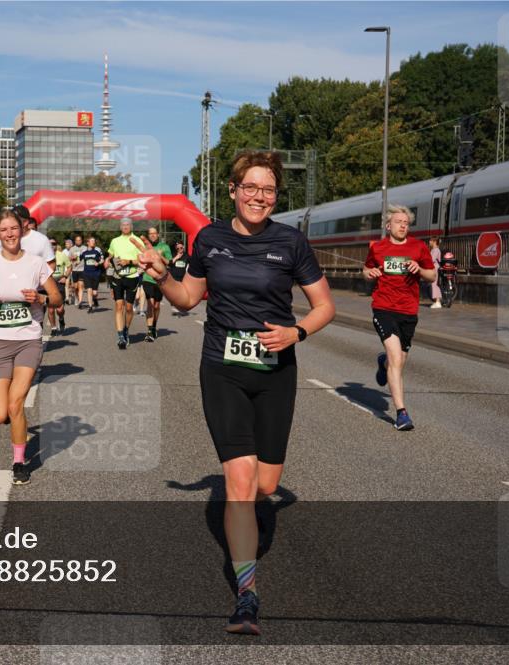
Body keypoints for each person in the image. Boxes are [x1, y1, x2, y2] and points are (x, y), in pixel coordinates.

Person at [134, 150, 334, 636]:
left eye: (268, 190)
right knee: (240, 482)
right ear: (233, 190)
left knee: (265, 486)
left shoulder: (290, 242)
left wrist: (297, 332)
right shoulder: (210, 238)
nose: (259, 197)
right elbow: (187, 299)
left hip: (275, 371)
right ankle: (247, 596)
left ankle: (251, 519)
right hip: (222, 368)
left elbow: (324, 306)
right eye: (251, 188)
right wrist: (162, 276)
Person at [0, 208, 60, 485]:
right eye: (3, 230)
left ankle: (19, 462)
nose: (9, 234)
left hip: (28, 341)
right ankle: (16, 423)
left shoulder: (36, 263)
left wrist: (41, 299)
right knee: (0, 415)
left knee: (15, 402)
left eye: (13, 228)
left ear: (22, 230)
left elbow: (57, 298)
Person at [362, 204, 437, 431]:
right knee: (396, 357)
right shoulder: (378, 248)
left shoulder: (418, 247)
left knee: (399, 361)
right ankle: (402, 413)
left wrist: (419, 269)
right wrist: (370, 273)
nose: (403, 226)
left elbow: (432, 275)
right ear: (388, 225)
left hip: (409, 311)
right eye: (398, 222)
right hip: (383, 308)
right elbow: (366, 270)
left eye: (406, 223)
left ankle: (383, 362)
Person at [106, 219, 143, 349]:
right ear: (120, 227)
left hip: (132, 276)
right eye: (123, 225)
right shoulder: (115, 241)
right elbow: (110, 255)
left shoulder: (137, 240)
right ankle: (121, 336)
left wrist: (129, 262)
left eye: (127, 225)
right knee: (118, 305)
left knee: (128, 307)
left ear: (131, 226)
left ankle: (126, 329)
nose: (125, 227)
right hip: (117, 277)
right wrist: (107, 260)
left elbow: (142, 260)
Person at [142, 227, 173, 340]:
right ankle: (150, 331)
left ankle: (154, 326)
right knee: (150, 303)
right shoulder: (144, 247)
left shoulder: (164, 247)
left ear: (158, 235)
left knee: (156, 305)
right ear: (148, 235)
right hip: (147, 278)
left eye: (154, 233)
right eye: (150, 233)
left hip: (160, 280)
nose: (152, 235)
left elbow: (169, 262)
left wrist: (160, 256)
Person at [47, 238, 70, 335]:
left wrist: (65, 276)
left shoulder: (62, 255)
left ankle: (61, 318)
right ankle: (53, 328)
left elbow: (69, 266)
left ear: (56, 245)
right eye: (50, 244)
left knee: (60, 309)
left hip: (59, 281)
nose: (52, 245)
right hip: (48, 282)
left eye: (54, 244)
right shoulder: (43, 256)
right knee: (50, 309)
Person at [79, 236, 104, 313]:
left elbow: (102, 260)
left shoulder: (97, 251)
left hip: (96, 273)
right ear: (88, 243)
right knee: (89, 290)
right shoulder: (84, 252)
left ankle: (95, 299)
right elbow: (79, 259)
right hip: (86, 273)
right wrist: (75, 261)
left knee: (94, 292)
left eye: (94, 241)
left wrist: (98, 263)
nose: (93, 242)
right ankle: (90, 307)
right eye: (92, 241)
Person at [169, 241, 188, 315]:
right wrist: (176, 257)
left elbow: (192, 264)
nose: (180, 249)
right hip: (174, 277)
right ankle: (174, 305)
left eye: (181, 247)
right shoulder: (173, 254)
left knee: (182, 293)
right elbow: (169, 264)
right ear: (176, 249)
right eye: (178, 248)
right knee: (174, 293)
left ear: (183, 247)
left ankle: (181, 308)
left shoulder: (186, 256)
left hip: (183, 277)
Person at [70, 234, 86, 307]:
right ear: (75, 241)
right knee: (75, 287)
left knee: (81, 286)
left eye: (80, 240)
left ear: (81, 241)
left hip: (82, 269)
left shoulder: (85, 248)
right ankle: (76, 297)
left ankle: (80, 301)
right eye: (77, 240)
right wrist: (72, 258)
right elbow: (69, 258)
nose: (78, 241)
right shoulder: (72, 249)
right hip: (75, 269)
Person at [428, 237, 443, 309]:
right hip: (434, 268)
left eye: (430, 241)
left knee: (435, 284)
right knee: (434, 284)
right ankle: (437, 301)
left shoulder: (436, 250)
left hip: (435, 268)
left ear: (434, 242)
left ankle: (437, 301)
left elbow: (432, 259)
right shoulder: (434, 250)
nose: (429, 242)